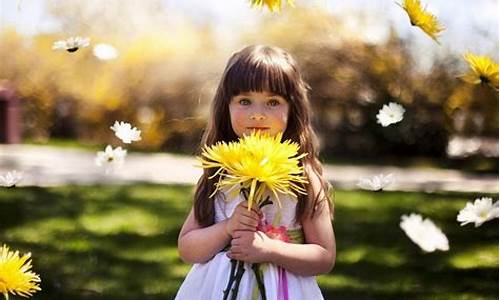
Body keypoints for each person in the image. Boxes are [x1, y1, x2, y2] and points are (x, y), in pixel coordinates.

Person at [176, 45, 335, 299]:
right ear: (226, 107)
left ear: (292, 109)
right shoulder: (219, 172)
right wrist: (227, 227)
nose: (258, 114)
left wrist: (269, 250)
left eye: (273, 102)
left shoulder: (302, 177)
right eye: (245, 101)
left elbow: (324, 257)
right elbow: (187, 248)